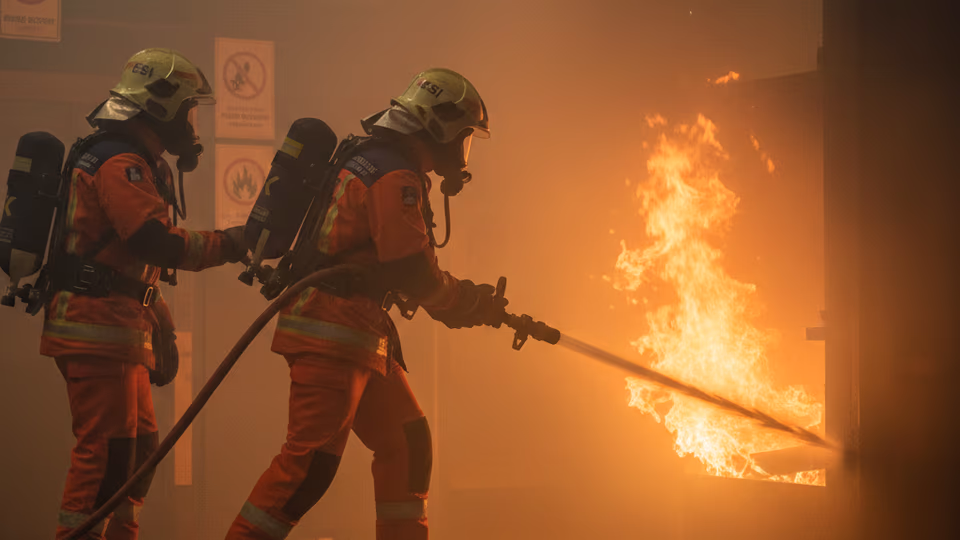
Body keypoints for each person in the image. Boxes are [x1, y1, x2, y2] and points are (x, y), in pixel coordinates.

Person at [226, 68, 500, 540]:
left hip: (357, 334)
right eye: (464, 138)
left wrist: (464, 303)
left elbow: (397, 269)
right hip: (333, 332)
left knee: (407, 444)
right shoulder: (394, 175)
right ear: (440, 128)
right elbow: (413, 271)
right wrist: (466, 301)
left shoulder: (374, 160)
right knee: (306, 469)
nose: (462, 152)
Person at [46, 48, 246, 539]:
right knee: (105, 459)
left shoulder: (127, 157)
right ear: (162, 107)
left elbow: (128, 268)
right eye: (188, 110)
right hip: (96, 329)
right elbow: (150, 242)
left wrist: (164, 328)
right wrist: (231, 244)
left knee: (137, 454)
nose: (191, 123)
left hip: (117, 327)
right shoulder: (120, 162)